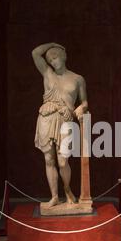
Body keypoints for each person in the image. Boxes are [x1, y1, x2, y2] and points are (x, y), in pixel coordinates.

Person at [32, 42, 89, 207]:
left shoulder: (78, 79)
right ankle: (54, 197)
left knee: (63, 161)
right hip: (46, 117)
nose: (52, 61)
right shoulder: (48, 74)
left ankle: (67, 189)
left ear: (63, 57)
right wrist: (51, 44)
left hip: (65, 119)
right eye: (50, 59)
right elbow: (35, 53)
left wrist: (80, 107)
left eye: (55, 57)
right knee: (49, 159)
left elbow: (84, 102)